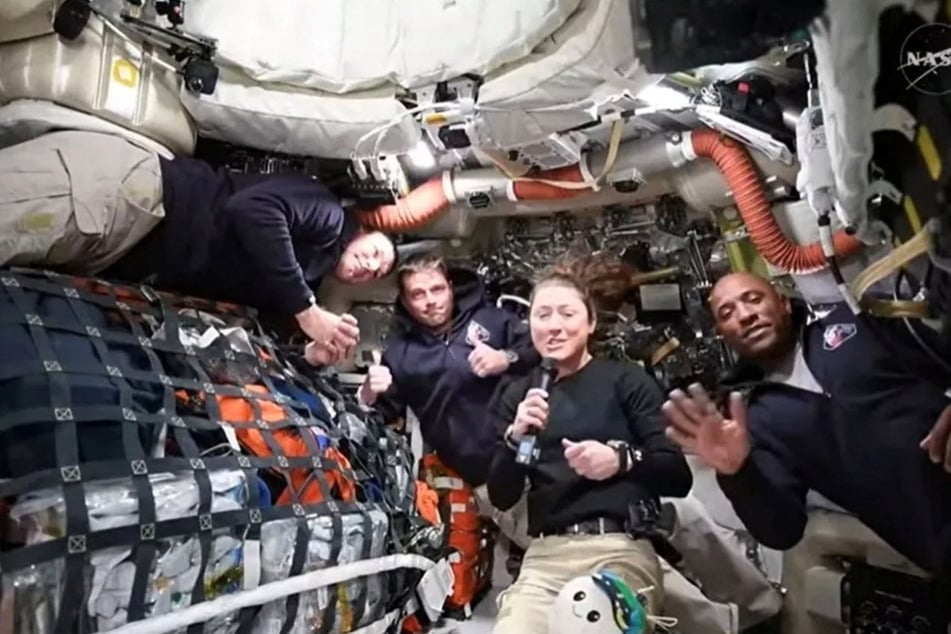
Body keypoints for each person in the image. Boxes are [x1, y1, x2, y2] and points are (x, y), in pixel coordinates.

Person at [0, 130, 396, 364]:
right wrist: (307, 312)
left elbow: (248, 332)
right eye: (376, 252)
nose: (370, 266)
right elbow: (252, 210)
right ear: (363, 230)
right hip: (132, 199)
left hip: (125, 253)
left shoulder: (301, 278)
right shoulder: (328, 216)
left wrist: (309, 354)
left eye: (376, 274)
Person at [663, 271, 951, 576]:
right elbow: (782, 531)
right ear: (723, 333)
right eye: (727, 313)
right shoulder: (755, 421)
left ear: (784, 303)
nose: (745, 315)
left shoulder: (852, 322)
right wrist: (737, 473)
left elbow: (941, 350)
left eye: (753, 299)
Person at [485, 270, 692, 633]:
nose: (554, 326)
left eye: (567, 314)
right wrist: (516, 439)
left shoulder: (626, 381)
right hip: (546, 557)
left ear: (591, 322)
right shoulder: (519, 396)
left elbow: (677, 475)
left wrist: (620, 460)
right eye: (543, 315)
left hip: (620, 548)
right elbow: (503, 496)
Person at [358, 253, 539, 548]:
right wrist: (367, 393)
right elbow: (380, 417)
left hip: (539, 451)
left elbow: (540, 350)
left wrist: (506, 358)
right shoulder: (400, 354)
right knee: (543, 548)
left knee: (585, 535)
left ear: (451, 287)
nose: (431, 300)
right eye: (418, 294)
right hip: (489, 477)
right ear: (405, 301)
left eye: (437, 289)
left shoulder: (491, 319)